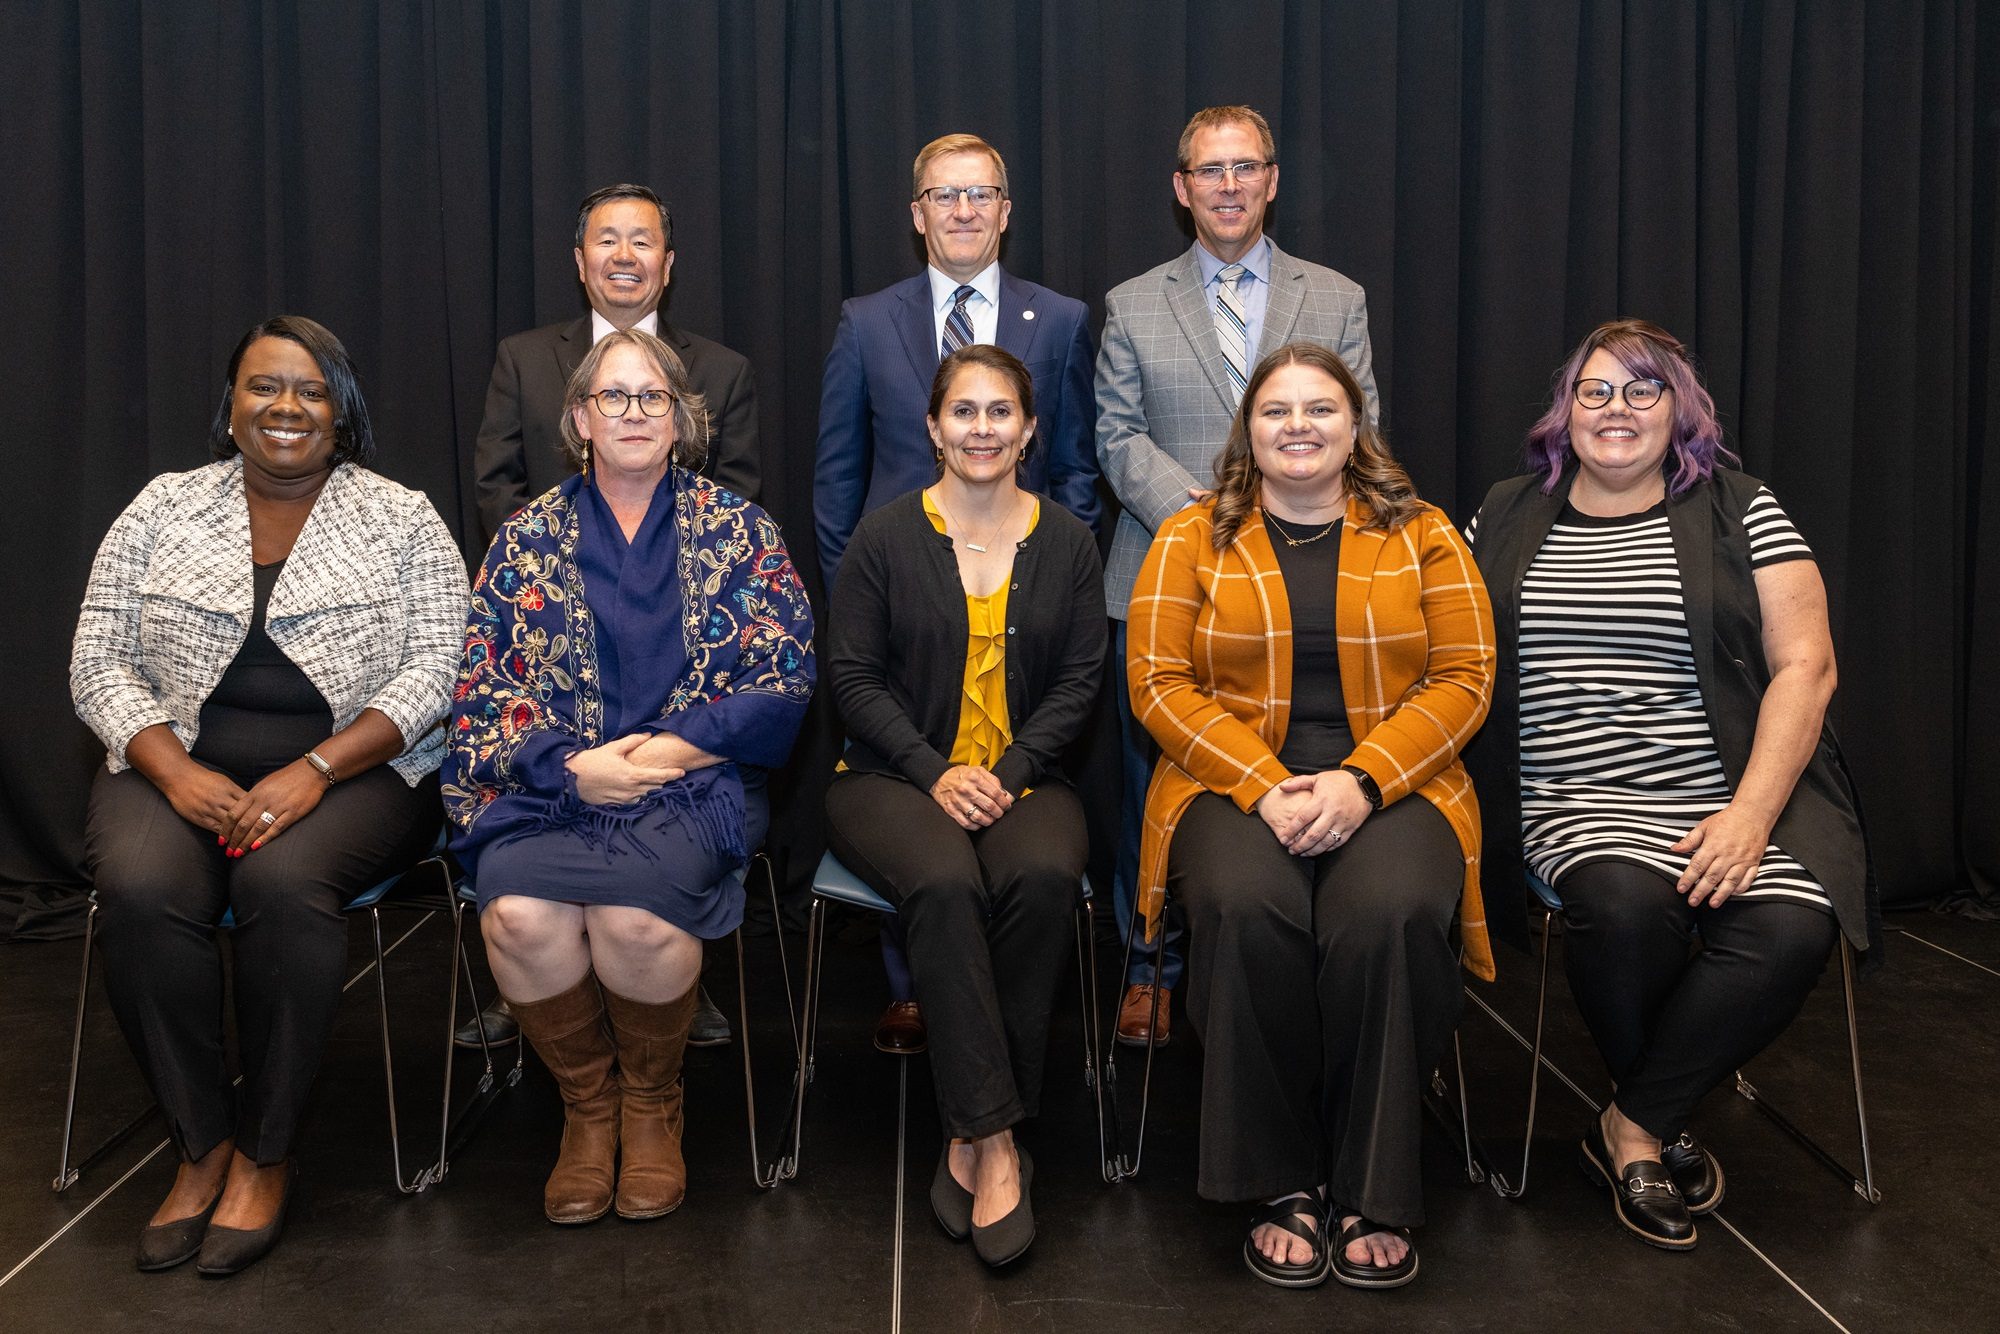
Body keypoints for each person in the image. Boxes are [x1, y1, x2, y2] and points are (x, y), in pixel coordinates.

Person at [70, 316, 467, 1276]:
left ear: (344, 410)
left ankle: (265, 1154)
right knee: (138, 885)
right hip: (177, 765)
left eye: (312, 390)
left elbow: (440, 667)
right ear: (232, 403)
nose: (287, 408)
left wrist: (318, 768)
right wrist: (171, 769)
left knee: (286, 887)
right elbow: (96, 659)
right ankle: (200, 1143)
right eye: (264, 387)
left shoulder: (402, 516)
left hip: (360, 775)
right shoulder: (163, 506)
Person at [1465, 318, 1867, 1250]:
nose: (1616, 410)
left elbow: (1807, 668)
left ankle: (1633, 1124)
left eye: (1642, 389)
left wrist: (1751, 817)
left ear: (1680, 408)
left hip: (1729, 787)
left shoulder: (1744, 507)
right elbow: (1451, 651)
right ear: (1565, 413)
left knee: (1790, 924)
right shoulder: (1505, 509)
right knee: (1624, 905)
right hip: (1567, 800)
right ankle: (1658, 1117)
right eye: (1595, 391)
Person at [1128, 342, 1494, 1290]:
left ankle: (1377, 1184)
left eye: (1320, 409)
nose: (1299, 427)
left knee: (1390, 916)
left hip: (1396, 780)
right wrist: (1263, 784)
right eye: (1277, 411)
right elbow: (1157, 686)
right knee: (1249, 910)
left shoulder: (1425, 533)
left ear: (1355, 424)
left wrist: (1361, 782)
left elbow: (1467, 677)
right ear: (1246, 431)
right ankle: (1280, 1177)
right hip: (1233, 781)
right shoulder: (1189, 536)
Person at [445, 329, 813, 1227]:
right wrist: (569, 767)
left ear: (684, 418)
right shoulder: (525, 538)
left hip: (690, 784)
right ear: (580, 418)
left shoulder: (739, 532)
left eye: (654, 398)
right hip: (548, 786)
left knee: (634, 923)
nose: (635, 414)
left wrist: (658, 757)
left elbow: (784, 679)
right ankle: (587, 1107)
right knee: (521, 918)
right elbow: (482, 689)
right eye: (614, 397)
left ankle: (652, 1104)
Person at [1096, 105, 1378, 1049]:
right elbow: (1116, 436)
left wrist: (1277, 512)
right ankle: (1153, 966)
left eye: (1244, 167)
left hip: (1311, 584)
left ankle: (1284, 953)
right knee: (1159, 787)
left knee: (1293, 758)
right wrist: (1217, 516)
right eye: (1208, 170)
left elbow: (1359, 425)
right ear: (1182, 188)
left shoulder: (1334, 296)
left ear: (1271, 180)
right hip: (1167, 580)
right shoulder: (1134, 302)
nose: (1227, 185)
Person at [814, 132, 1100, 1054]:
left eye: (981, 194)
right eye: (945, 195)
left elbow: (1080, 472)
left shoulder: (1058, 319)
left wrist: (1059, 577)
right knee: (928, 851)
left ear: (1006, 210)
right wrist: (876, 600)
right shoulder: (868, 320)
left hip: (1021, 620)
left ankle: (982, 1043)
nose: (964, 211)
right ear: (918, 214)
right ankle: (912, 992)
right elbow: (837, 485)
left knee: (1027, 859)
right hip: (906, 625)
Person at [824, 345, 1106, 1268]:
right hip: (889, 776)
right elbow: (854, 680)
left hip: (1027, 774)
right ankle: (997, 1141)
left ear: (1029, 429)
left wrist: (1012, 766)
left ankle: (971, 1129)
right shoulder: (882, 537)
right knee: (944, 881)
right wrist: (934, 768)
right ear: (933, 427)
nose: (981, 429)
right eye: (963, 412)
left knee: (1043, 870)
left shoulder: (1067, 540)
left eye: (1000, 413)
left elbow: (1078, 682)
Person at [468, 181, 754, 1049]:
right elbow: (496, 484)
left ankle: (664, 973)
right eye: (606, 240)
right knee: (524, 915)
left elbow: (736, 505)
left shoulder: (722, 367)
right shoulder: (524, 357)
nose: (624, 255)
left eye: (643, 241)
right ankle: (549, 998)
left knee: (644, 921)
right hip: (555, 660)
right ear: (580, 260)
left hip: (679, 685)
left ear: (669, 265)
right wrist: (554, 577)